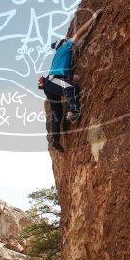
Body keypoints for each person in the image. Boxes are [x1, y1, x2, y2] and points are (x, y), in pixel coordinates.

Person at [42, 9, 102, 152]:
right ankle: (72, 112)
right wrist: (93, 18)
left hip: (49, 84)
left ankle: (55, 139)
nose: (69, 41)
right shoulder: (64, 47)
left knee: (57, 112)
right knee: (71, 87)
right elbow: (80, 33)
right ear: (63, 43)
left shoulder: (59, 54)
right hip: (53, 81)